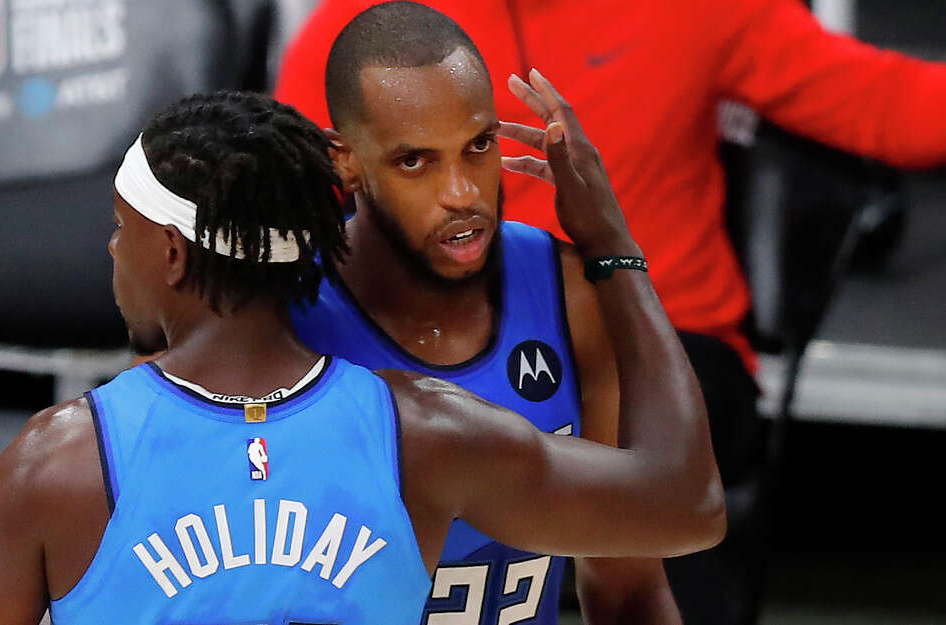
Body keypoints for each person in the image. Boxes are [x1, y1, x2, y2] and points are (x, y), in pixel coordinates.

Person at [0, 90, 723, 625]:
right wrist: (612, 247)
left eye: (123, 230)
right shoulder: (426, 431)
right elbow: (686, 505)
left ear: (173, 256)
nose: (112, 250)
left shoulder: (58, 464)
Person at [274, 1, 946, 623]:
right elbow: (275, 195)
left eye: (479, 146)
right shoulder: (366, 32)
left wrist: (613, 251)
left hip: (662, 323)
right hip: (420, 331)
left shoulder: (703, 7)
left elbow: (890, 104)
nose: (458, 187)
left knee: (656, 518)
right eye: (420, 159)